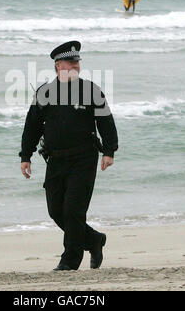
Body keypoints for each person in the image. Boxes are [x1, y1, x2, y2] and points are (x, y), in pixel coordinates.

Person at [19, 41, 118, 271]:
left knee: (73, 210)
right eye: (70, 62)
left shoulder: (91, 90)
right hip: (55, 159)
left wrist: (109, 150)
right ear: (57, 66)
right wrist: (26, 155)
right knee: (56, 211)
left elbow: (106, 121)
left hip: (84, 158)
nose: (75, 66)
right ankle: (94, 239)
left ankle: (70, 261)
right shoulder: (44, 92)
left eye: (77, 62)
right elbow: (32, 126)